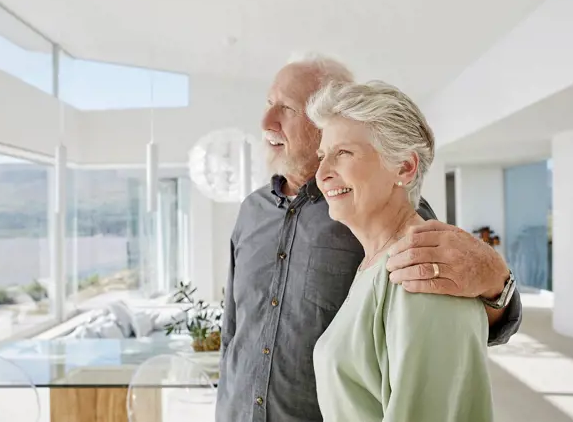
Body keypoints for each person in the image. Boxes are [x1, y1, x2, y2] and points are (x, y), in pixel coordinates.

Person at [216, 55, 520, 422]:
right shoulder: (252, 211)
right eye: (268, 104)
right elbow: (232, 330)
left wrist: (497, 283)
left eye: (287, 108)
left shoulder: (391, 218)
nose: (266, 121)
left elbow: (450, 303)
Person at [310, 79, 492, 421]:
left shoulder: (423, 272)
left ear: (404, 168)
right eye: (322, 156)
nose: (321, 173)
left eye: (343, 153)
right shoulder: (376, 263)